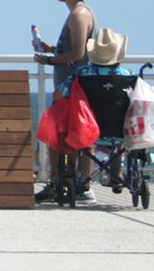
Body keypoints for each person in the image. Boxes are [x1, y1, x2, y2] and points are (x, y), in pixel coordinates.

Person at [32, 0, 97, 202]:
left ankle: (63, 184)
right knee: (76, 135)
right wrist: (52, 49)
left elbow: (78, 53)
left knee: (57, 133)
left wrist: (49, 60)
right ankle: (77, 184)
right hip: (74, 85)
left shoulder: (79, 15)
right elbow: (74, 50)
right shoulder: (78, 13)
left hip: (72, 87)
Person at [56, 27, 133, 198]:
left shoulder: (82, 75)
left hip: (87, 130)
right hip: (119, 131)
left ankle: (84, 180)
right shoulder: (129, 76)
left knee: (79, 137)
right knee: (119, 135)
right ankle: (116, 176)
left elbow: (60, 93)